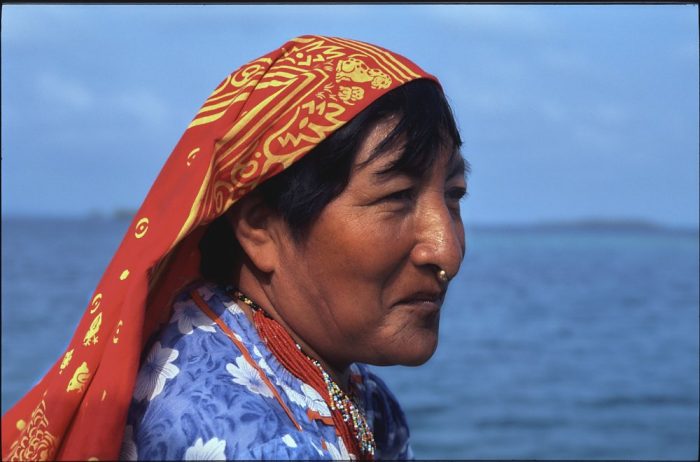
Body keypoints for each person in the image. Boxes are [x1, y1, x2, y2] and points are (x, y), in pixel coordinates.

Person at [2, 35, 467, 461]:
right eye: (396, 198)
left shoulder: (332, 381)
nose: (446, 251)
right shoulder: (235, 436)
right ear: (260, 225)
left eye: (454, 194)